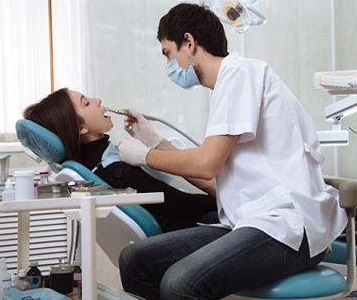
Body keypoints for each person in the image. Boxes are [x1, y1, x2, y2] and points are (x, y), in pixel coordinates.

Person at [116, 2, 348, 300]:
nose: (169, 65)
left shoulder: (240, 74)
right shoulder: (229, 87)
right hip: (250, 222)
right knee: (136, 260)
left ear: (189, 43)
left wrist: (144, 156)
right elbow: (213, 180)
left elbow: (205, 164)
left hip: (287, 229)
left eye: (168, 53)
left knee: (180, 284)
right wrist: (152, 139)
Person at [22, 88, 217, 233]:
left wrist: (151, 141)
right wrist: (223, 199)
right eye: (86, 103)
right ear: (81, 127)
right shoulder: (114, 170)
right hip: (193, 227)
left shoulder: (99, 164)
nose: (97, 100)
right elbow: (183, 203)